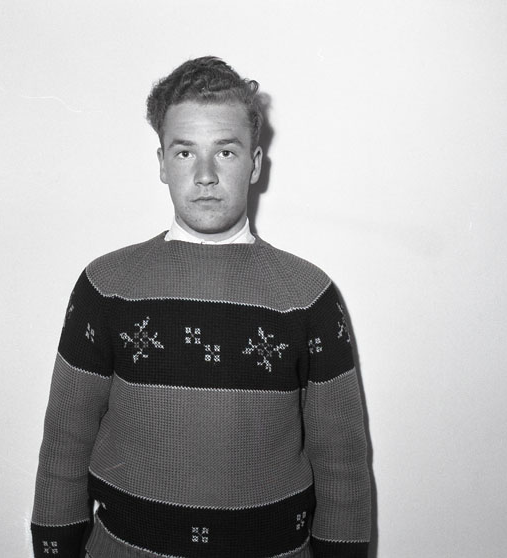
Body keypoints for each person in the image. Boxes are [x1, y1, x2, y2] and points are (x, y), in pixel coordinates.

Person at [31, 56, 371, 558]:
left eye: (225, 152)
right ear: (162, 163)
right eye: (186, 151)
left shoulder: (309, 297)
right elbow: (64, 445)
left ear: (255, 164)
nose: (206, 174)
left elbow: (343, 466)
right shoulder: (105, 287)